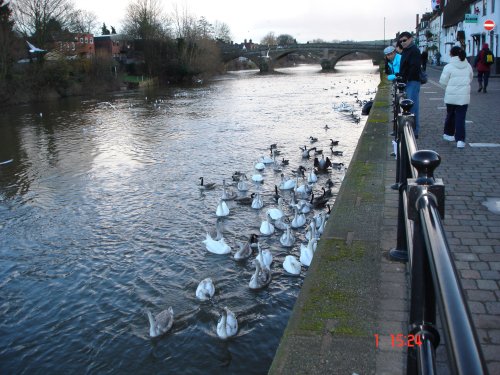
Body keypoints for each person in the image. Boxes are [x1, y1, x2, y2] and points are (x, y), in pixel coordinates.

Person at [439, 46, 473, 148]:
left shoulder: (448, 66)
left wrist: (449, 88)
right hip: (463, 97)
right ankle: (460, 140)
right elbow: (470, 78)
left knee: (450, 115)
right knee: (460, 118)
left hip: (451, 96)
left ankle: (448, 134)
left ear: (451, 54)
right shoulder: (468, 66)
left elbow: (443, 82)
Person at [398, 31, 422, 138]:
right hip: (407, 81)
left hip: (412, 81)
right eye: (401, 41)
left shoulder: (414, 51)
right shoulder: (406, 50)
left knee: (412, 106)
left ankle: (414, 131)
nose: (402, 43)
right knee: (408, 106)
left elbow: (414, 67)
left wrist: (406, 79)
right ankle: (410, 129)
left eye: (404, 40)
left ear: (410, 39)